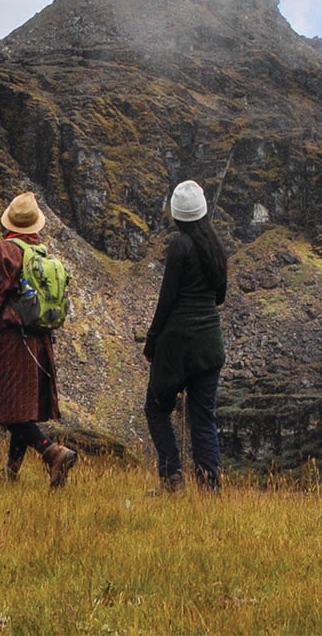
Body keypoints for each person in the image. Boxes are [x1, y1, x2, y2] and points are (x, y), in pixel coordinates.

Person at [0, 191, 78, 487]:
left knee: (10, 411)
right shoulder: (43, 256)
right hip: (42, 342)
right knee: (22, 408)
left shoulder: (5, 251)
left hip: (16, 341)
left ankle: (52, 452)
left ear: (10, 223)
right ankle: (11, 472)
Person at [142, 179, 229, 491]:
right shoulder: (215, 247)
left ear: (177, 215)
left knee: (156, 407)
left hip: (177, 344)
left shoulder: (179, 246)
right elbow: (219, 297)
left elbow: (167, 300)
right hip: (210, 344)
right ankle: (210, 486)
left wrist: (152, 340)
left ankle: (172, 478)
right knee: (203, 418)